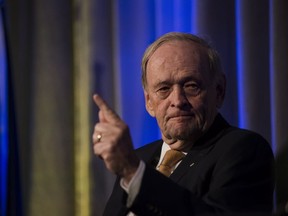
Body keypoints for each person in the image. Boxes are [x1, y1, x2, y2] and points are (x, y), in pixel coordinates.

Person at [92, 32, 275, 216]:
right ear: (149, 102)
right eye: (164, 89)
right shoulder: (141, 157)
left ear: (219, 91)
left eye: (191, 86)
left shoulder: (245, 150)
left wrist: (132, 172)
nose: (178, 100)